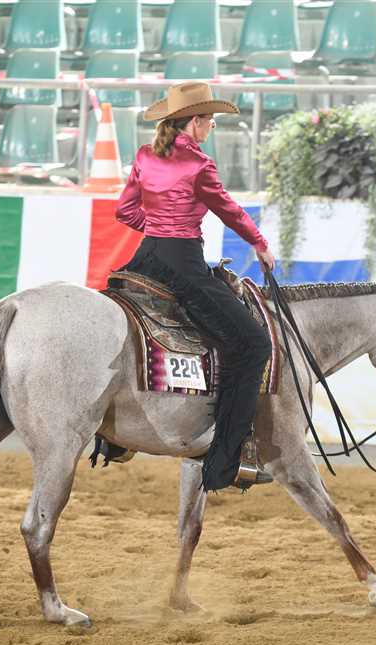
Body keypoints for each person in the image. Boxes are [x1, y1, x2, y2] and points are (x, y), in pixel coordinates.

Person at [116, 81, 276, 492]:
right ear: (194, 122)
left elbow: (125, 211)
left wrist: (157, 229)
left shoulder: (145, 155)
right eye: (209, 119)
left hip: (144, 258)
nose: (212, 126)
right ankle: (225, 462)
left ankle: (112, 437)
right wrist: (260, 244)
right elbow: (229, 211)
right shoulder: (199, 165)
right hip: (183, 265)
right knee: (253, 344)